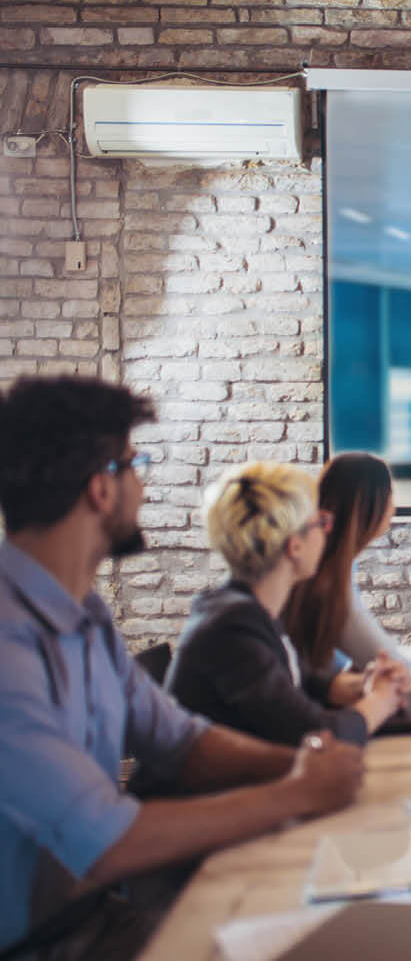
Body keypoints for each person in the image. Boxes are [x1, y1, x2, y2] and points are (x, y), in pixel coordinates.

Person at [0, 376, 363, 961]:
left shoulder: (85, 613)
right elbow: (106, 840)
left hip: (95, 914)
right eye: (135, 463)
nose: (142, 486)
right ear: (101, 489)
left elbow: (179, 740)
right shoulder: (7, 650)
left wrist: (301, 764)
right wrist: (296, 793)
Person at [166, 462, 410, 748]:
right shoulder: (232, 632)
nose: (328, 531)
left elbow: (304, 683)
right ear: (295, 546)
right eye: (321, 522)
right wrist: (382, 699)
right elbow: (317, 736)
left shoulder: (246, 611)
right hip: (202, 793)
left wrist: (368, 682)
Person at [282, 453, 403, 678]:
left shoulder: (331, 566)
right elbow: (396, 669)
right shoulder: (328, 579)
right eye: (390, 497)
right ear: (371, 506)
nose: (393, 509)